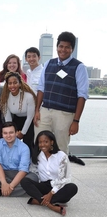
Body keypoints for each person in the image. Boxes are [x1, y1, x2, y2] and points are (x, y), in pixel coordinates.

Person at [34, 31, 89, 162]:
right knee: (41, 144)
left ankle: (61, 179)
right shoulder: (48, 64)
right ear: (57, 47)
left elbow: (82, 95)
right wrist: (37, 110)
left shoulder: (79, 67)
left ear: (72, 49)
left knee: (61, 148)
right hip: (45, 111)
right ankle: (43, 175)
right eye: (61, 46)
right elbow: (41, 88)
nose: (63, 50)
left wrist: (76, 121)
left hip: (65, 115)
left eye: (67, 47)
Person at [20, 130, 78, 216]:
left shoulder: (61, 156)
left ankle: (38, 200)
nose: (42, 145)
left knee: (73, 187)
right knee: (24, 181)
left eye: (46, 142)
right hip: (44, 186)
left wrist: (51, 193)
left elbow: (64, 178)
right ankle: (51, 205)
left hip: (59, 187)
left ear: (52, 142)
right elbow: (33, 170)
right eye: (40, 142)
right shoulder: (38, 155)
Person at [0, 122, 38, 197]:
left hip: (17, 172)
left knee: (34, 178)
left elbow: (23, 170)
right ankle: (14, 189)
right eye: (5, 133)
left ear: (16, 133)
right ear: (2, 134)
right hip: (2, 172)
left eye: (11, 133)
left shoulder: (24, 147)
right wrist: (4, 183)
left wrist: (11, 186)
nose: (8, 136)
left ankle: (0, 190)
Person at [0, 72, 36, 154]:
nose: (12, 85)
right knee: (11, 139)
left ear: (20, 84)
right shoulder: (5, 97)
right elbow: (8, 118)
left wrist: (22, 133)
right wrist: (12, 131)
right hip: (16, 119)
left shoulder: (29, 96)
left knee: (28, 142)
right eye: (10, 83)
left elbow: (30, 117)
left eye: (15, 82)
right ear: (7, 85)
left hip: (29, 120)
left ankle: (30, 163)